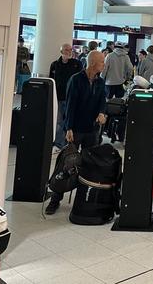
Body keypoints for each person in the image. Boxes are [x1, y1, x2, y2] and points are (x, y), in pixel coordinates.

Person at [46, 51, 107, 215]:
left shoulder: (100, 82)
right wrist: (69, 128)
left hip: (92, 130)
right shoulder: (76, 80)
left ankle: (83, 198)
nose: (104, 64)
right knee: (67, 163)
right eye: (102, 62)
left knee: (89, 164)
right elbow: (70, 105)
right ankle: (55, 198)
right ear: (93, 63)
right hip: (76, 129)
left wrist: (102, 112)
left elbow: (103, 101)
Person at [49, 43, 83, 149]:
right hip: (58, 97)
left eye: (70, 49)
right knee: (59, 121)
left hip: (71, 98)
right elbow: (52, 80)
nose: (69, 51)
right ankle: (59, 143)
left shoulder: (77, 64)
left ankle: (69, 142)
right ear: (61, 51)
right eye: (66, 50)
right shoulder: (55, 65)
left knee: (69, 121)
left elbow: (80, 80)